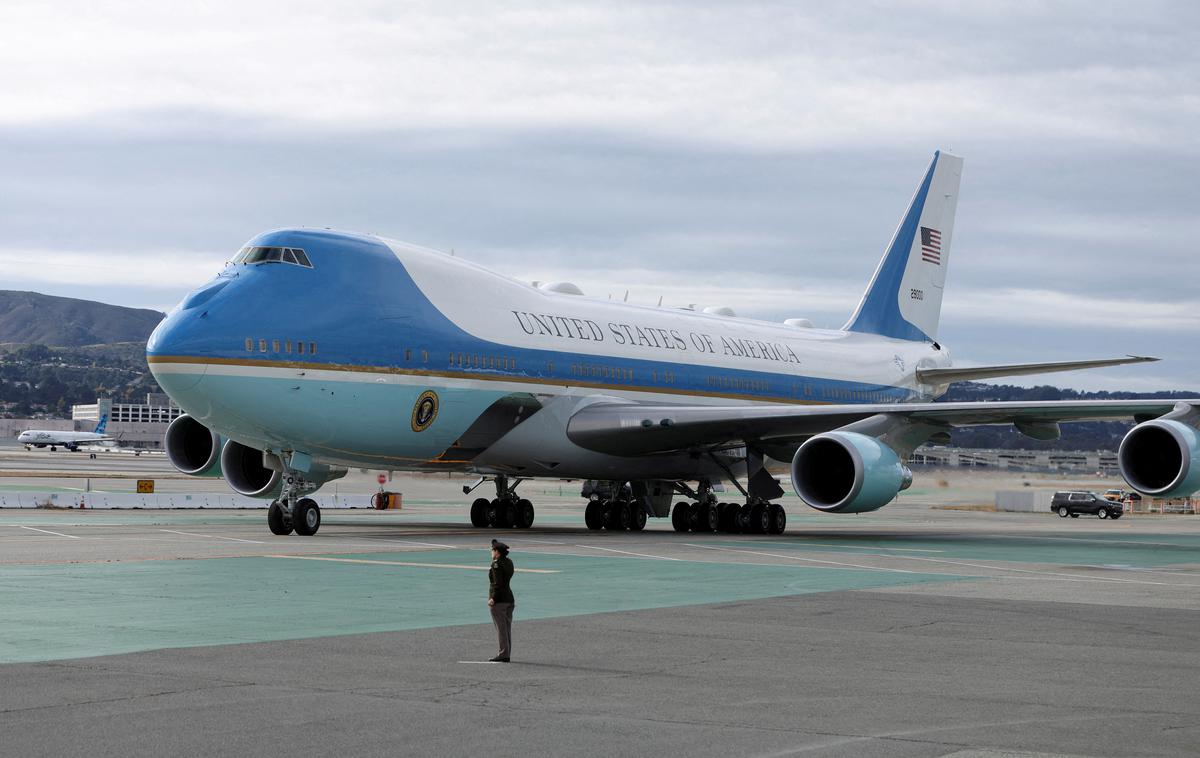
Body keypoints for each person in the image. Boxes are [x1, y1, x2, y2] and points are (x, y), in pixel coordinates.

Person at [487, 538, 515, 662]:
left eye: (492, 550)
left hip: (500, 601)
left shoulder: (496, 564)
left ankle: (503, 654)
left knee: (501, 629)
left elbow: (498, 584)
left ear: (497, 552)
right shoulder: (509, 562)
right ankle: (506, 652)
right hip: (509, 598)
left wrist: (493, 598)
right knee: (506, 628)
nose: (491, 552)